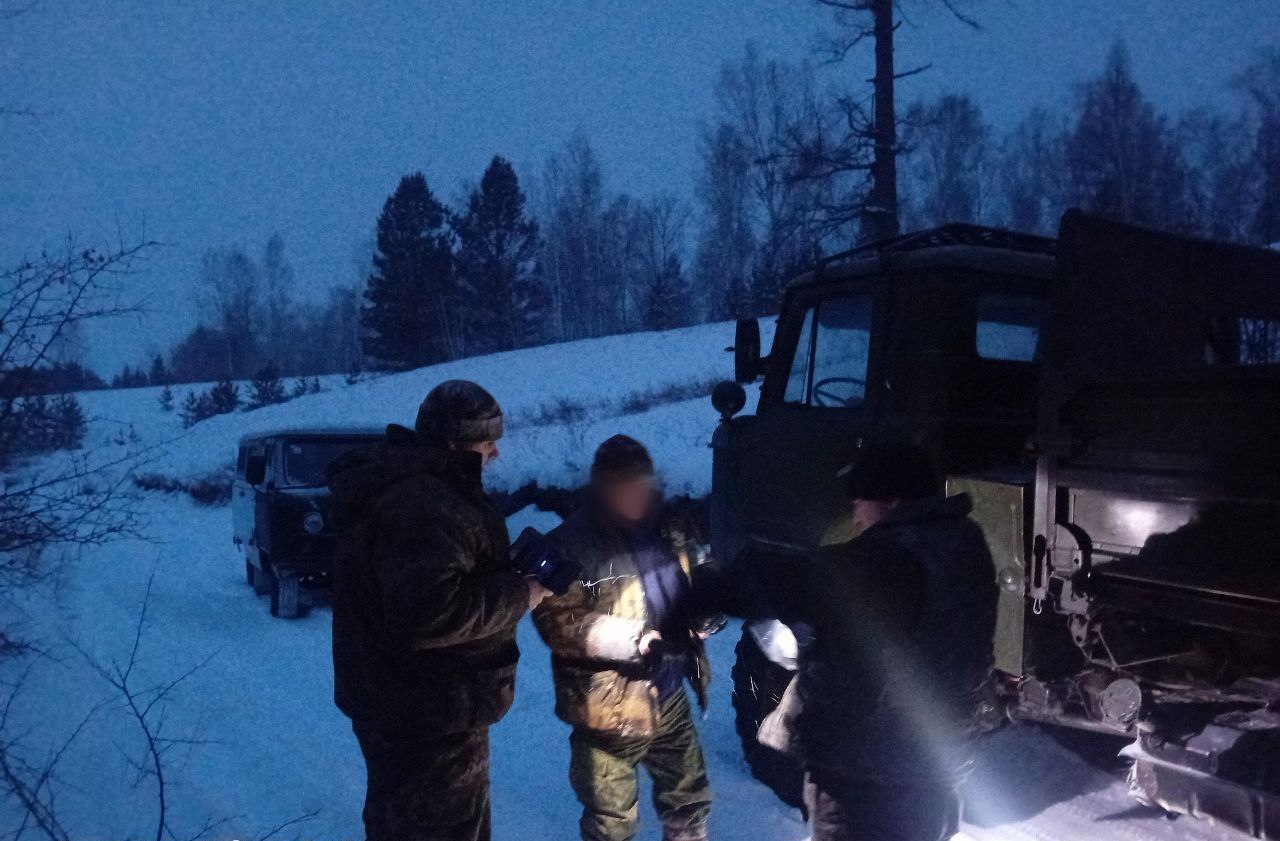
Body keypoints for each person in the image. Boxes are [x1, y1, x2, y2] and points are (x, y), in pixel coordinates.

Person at [327, 380, 550, 841]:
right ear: (454, 442)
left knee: (398, 822)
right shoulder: (426, 504)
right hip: (429, 714)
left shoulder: (409, 487)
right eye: (488, 442)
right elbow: (429, 613)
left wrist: (497, 572)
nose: (495, 454)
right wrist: (520, 594)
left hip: (402, 703)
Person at [764, 441, 997, 841]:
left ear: (890, 500)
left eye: (859, 500)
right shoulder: (961, 540)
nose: (854, 515)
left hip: (869, 776)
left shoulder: (893, 559)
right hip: (932, 762)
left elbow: (849, 662)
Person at [533, 435, 714, 841]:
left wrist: (707, 609)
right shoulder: (570, 544)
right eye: (622, 488)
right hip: (608, 709)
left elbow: (701, 574)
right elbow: (557, 619)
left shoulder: (672, 526)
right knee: (612, 822)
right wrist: (631, 640)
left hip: (669, 695)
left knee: (690, 801)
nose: (634, 496)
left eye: (641, 485)